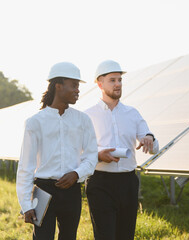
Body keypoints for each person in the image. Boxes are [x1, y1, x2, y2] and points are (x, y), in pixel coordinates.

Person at [16, 62, 98, 240]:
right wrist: (26, 204)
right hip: (43, 191)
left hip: (72, 192)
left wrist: (76, 174)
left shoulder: (83, 120)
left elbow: (91, 157)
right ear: (58, 86)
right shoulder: (34, 122)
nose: (78, 90)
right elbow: (26, 166)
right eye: (74, 85)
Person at [85, 60, 159, 240]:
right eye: (112, 80)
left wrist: (149, 138)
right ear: (99, 83)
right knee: (105, 236)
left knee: (126, 236)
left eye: (119, 80)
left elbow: (154, 148)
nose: (118, 84)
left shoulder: (132, 113)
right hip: (100, 182)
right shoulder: (87, 116)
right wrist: (99, 155)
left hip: (128, 182)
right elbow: (79, 151)